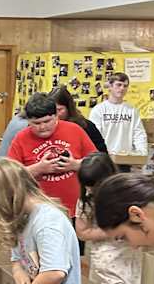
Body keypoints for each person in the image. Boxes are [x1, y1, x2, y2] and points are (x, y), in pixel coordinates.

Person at [7, 92, 96, 220]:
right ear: (28, 122)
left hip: (73, 211)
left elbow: (97, 165)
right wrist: (38, 168)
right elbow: (10, 176)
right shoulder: (21, 138)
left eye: (47, 121)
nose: (42, 127)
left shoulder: (75, 130)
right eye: (36, 123)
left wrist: (75, 165)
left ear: (56, 116)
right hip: (37, 212)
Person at [75, 152, 143, 284]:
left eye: (93, 186)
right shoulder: (87, 200)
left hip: (129, 257)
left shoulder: (129, 193)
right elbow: (82, 232)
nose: (89, 190)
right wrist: (115, 230)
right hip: (105, 260)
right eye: (86, 186)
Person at [88, 72, 148, 167]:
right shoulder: (98, 110)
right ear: (110, 86)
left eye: (125, 86)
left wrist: (142, 155)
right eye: (118, 85)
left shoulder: (131, 110)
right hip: (103, 161)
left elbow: (139, 134)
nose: (122, 88)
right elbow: (94, 136)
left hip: (125, 161)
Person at [50, 87, 108, 153]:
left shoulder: (86, 126)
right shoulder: (47, 127)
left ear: (69, 108)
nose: (55, 114)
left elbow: (102, 154)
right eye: (52, 110)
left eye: (59, 109)